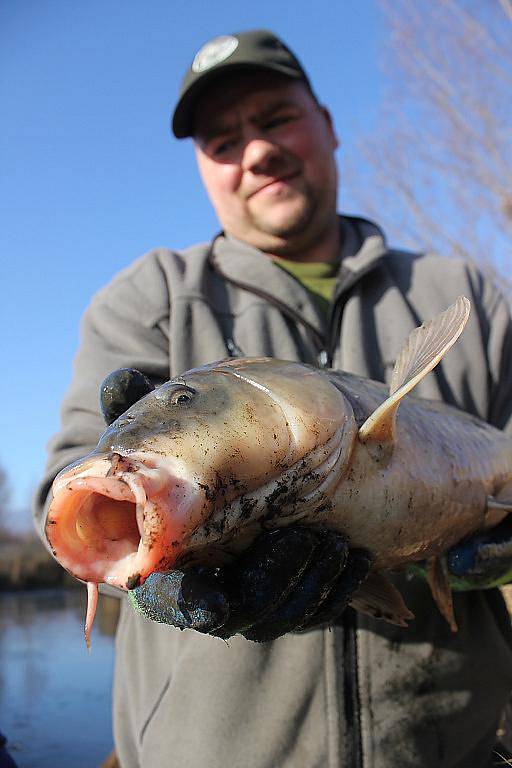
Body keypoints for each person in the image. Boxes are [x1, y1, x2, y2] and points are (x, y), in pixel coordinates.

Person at [34, 29, 512, 768]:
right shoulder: (151, 297)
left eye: (276, 119)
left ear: (327, 123)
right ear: (202, 167)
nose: (255, 151)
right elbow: (67, 475)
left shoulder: (466, 295)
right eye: (223, 139)